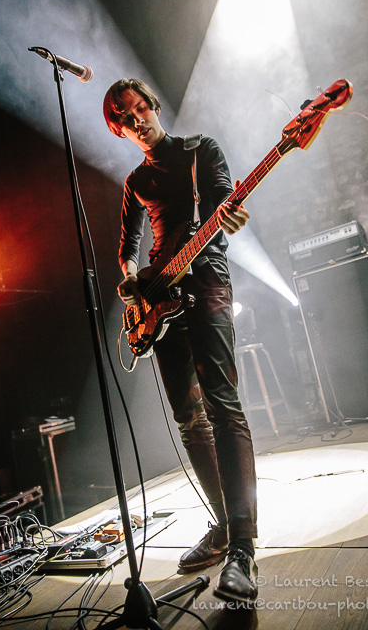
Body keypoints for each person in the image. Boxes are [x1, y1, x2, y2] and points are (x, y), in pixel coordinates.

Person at [103, 78, 258, 603]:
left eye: (140, 108)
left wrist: (229, 215)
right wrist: (131, 283)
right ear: (119, 130)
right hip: (159, 297)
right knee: (189, 419)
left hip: (207, 278)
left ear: (153, 106)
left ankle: (243, 550)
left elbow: (224, 203)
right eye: (125, 117)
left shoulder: (200, 150)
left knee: (222, 405)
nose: (137, 119)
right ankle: (224, 525)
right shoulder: (135, 180)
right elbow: (127, 245)